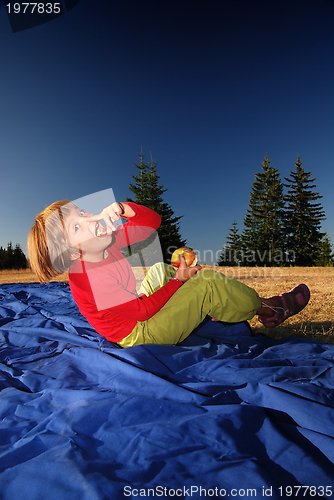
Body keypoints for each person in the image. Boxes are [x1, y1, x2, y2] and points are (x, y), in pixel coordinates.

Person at [28, 199, 310, 347]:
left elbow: (152, 223)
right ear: (72, 254)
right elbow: (142, 312)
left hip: (134, 308)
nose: (90, 220)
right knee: (206, 284)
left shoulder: (106, 242)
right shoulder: (89, 278)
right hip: (138, 334)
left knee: (159, 269)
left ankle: (208, 308)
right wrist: (179, 282)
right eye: (77, 227)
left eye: (82, 212)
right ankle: (270, 310)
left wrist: (124, 209)